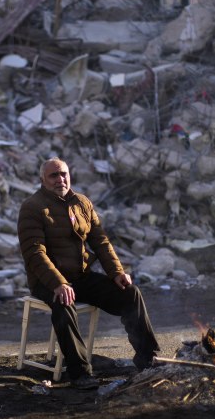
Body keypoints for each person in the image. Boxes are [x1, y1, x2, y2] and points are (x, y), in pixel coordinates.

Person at [17, 158, 160, 389]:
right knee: (63, 304)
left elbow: (100, 241)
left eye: (63, 174)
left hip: (81, 277)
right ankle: (80, 373)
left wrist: (116, 272)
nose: (60, 179)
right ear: (42, 180)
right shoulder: (33, 207)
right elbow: (34, 253)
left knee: (130, 293)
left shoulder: (81, 202)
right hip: (48, 281)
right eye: (53, 175)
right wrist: (58, 283)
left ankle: (148, 358)